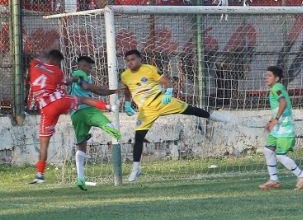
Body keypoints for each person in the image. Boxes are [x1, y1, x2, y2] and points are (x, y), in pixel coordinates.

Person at [120, 49, 232, 182]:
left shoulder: (149, 69)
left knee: (191, 110)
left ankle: (216, 117)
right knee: (138, 137)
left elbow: (167, 82)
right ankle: (136, 168)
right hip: (146, 110)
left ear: (139, 59)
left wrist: (168, 93)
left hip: (161, 101)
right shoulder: (125, 75)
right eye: (127, 61)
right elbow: (127, 90)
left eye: (132, 59)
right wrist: (127, 104)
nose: (130, 63)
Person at [28, 50, 109, 184]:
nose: (59, 65)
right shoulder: (57, 71)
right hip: (59, 102)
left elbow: (38, 58)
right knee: (82, 99)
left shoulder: (34, 65)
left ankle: (40, 175)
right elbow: (66, 82)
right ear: (55, 61)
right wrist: (76, 79)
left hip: (45, 110)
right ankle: (108, 107)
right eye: (59, 63)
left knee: (44, 144)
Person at [68, 56, 123, 190]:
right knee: (104, 122)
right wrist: (113, 91)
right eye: (87, 66)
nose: (89, 69)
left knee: (81, 145)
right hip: (88, 110)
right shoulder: (79, 74)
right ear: (79, 66)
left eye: (90, 67)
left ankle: (80, 178)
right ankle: (114, 131)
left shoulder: (74, 77)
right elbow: (92, 89)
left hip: (75, 114)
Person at [258, 66, 303, 191]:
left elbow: (283, 103)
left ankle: (302, 176)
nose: (266, 78)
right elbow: (279, 107)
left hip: (285, 128)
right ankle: (273, 180)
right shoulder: (276, 88)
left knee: (281, 156)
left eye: (269, 75)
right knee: (268, 150)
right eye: (266, 75)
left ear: (277, 78)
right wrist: (271, 121)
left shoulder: (277, 88)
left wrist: (275, 120)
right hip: (278, 129)